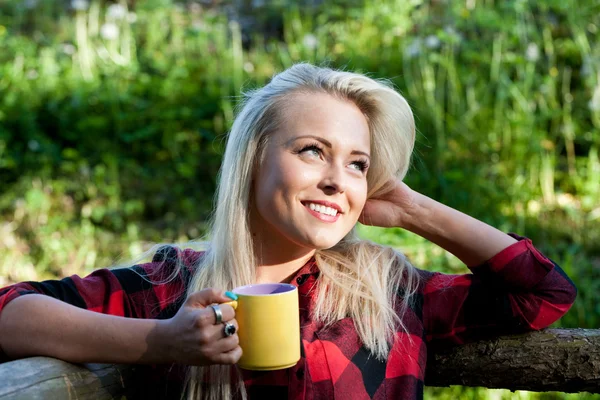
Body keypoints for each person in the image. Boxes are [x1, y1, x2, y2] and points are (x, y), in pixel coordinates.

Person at [0, 63, 577, 400]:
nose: (337, 180)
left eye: (356, 163)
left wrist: (411, 209)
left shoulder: (389, 292)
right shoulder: (175, 287)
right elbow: (10, 311)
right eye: (312, 151)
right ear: (252, 160)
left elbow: (542, 295)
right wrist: (163, 342)